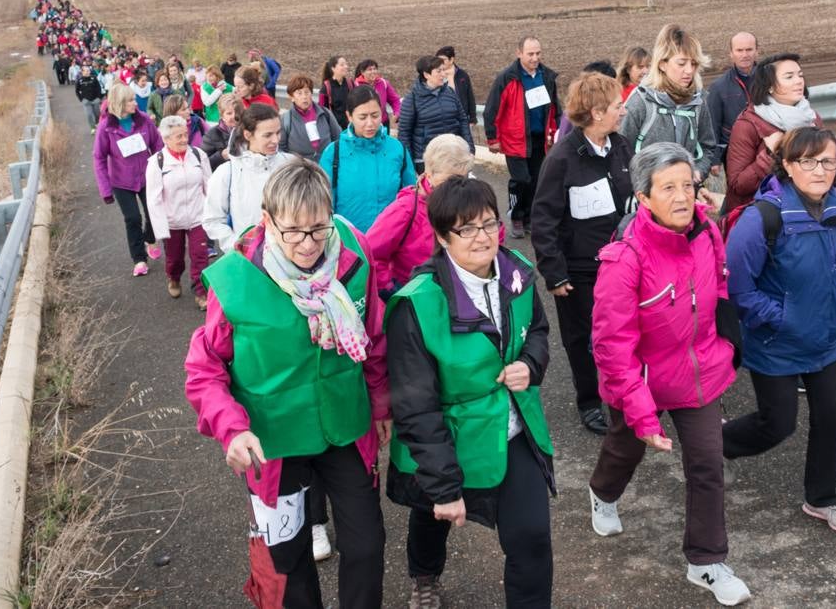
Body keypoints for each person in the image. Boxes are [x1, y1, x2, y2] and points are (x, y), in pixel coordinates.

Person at [184, 160, 389, 609]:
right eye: (292, 231)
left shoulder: (354, 254)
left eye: (318, 229)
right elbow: (205, 368)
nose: (308, 245)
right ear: (267, 219)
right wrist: (232, 429)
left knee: (367, 545)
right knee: (289, 558)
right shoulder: (235, 278)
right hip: (272, 440)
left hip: (344, 426)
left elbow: (372, 332)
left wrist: (379, 402)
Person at [588, 142, 748, 607]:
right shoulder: (624, 260)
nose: (683, 197)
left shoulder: (707, 231)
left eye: (688, 185)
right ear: (643, 197)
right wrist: (642, 413)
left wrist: (724, 346)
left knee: (706, 464)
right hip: (642, 381)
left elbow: (719, 284)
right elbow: (613, 348)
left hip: (698, 375)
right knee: (625, 448)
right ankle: (602, 493)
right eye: (668, 188)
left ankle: (706, 562)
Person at [386, 177, 555, 609]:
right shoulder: (417, 304)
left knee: (532, 537)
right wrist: (443, 487)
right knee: (431, 513)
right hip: (448, 430)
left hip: (511, 425)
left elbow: (536, 329)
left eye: (489, 224)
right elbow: (415, 405)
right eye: (467, 228)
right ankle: (425, 574)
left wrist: (531, 365)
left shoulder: (516, 269)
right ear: (443, 237)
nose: (483, 237)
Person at [723, 126, 836, 535]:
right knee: (778, 423)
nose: (819, 170)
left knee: (833, 416)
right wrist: (783, 318)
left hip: (827, 337)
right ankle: (717, 445)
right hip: (776, 342)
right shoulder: (762, 217)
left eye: (828, 161)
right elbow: (738, 287)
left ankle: (822, 498)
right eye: (808, 161)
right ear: (786, 164)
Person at [530, 72, 632, 436]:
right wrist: (554, 274)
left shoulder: (621, 147)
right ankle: (589, 401)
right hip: (579, 271)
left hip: (622, 265)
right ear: (596, 111)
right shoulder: (562, 159)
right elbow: (543, 220)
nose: (623, 110)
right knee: (584, 339)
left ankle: (627, 395)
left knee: (625, 333)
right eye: (617, 106)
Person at [367, 135, 476, 296]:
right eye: (448, 180)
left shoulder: (473, 199)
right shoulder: (406, 209)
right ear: (429, 174)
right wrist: (392, 291)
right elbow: (371, 252)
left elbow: (494, 233)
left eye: (462, 178)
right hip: (418, 297)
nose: (456, 187)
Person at [721, 53, 822, 217]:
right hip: (762, 217)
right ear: (770, 86)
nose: (798, 81)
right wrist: (770, 154)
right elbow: (738, 185)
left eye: (800, 75)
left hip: (802, 211)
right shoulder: (748, 124)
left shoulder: (812, 118)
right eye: (789, 77)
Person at [483, 36, 561, 240]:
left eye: (538, 53)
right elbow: (492, 109)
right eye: (530, 54)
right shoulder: (507, 78)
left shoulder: (547, 77)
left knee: (537, 181)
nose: (535, 58)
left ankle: (531, 219)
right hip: (515, 140)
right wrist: (493, 138)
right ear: (519, 54)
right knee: (521, 180)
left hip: (540, 140)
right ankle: (517, 216)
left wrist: (557, 130)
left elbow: (554, 108)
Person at [619, 23, 716, 185]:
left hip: (686, 194)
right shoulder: (641, 102)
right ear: (662, 64)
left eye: (693, 64)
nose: (689, 70)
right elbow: (621, 152)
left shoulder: (698, 101)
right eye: (681, 63)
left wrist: (698, 171)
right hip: (647, 198)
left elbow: (707, 148)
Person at [319, 86, 415, 233]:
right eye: (362, 117)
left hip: (391, 240)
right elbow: (322, 204)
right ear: (349, 116)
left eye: (375, 116)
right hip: (349, 243)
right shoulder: (333, 153)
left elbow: (411, 198)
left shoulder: (397, 149)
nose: (370, 123)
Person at [204, 104, 297, 253]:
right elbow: (212, 220)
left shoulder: (291, 164)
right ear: (248, 135)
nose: (276, 140)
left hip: (291, 256)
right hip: (249, 262)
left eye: (278, 132)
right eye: (267, 135)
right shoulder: (227, 172)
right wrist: (238, 246)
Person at [93, 83, 164, 276]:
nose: (135, 103)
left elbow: (157, 144)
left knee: (153, 214)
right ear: (120, 104)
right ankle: (139, 259)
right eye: (131, 100)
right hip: (121, 181)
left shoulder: (143, 120)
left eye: (134, 99)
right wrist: (105, 189)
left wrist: (161, 170)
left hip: (146, 176)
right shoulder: (106, 127)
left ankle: (150, 238)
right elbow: (98, 157)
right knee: (132, 218)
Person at [145, 115, 213, 310]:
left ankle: (201, 292)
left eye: (185, 134)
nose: (184, 139)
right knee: (175, 259)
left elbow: (209, 185)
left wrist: (212, 214)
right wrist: (161, 230)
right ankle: (173, 278)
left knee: (200, 255)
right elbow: (154, 199)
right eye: (178, 136)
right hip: (172, 219)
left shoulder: (199, 155)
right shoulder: (156, 162)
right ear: (166, 139)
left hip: (198, 216)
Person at [397, 55, 475, 173]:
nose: (443, 74)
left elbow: (463, 120)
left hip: (452, 155)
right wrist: (409, 165)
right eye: (439, 71)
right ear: (426, 75)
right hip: (427, 160)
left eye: (444, 70)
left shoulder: (450, 92)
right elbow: (404, 134)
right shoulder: (412, 99)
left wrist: (470, 149)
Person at [706, 32, 759, 167]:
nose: (745, 55)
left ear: (756, 52)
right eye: (739, 50)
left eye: (749, 49)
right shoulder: (718, 87)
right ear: (731, 54)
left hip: (766, 148)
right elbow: (713, 125)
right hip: (735, 153)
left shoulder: (771, 79)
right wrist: (715, 159)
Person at [279, 73, 339, 161]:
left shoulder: (325, 113)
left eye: (307, 92)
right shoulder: (286, 119)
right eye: (299, 93)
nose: (304, 97)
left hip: (326, 165)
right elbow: (281, 148)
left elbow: (337, 138)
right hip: (300, 168)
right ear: (291, 97)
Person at [354, 59, 402, 129]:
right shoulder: (356, 85)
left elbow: (395, 100)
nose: (373, 71)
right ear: (362, 72)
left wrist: (397, 113)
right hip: (366, 125)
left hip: (383, 123)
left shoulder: (383, 83)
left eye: (374, 69)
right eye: (369, 70)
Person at [436, 46, 477, 126]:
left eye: (443, 60)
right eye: (438, 60)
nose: (439, 62)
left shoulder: (462, 75)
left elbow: (470, 96)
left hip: (461, 119)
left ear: (451, 60)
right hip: (442, 119)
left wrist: (473, 118)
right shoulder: (435, 75)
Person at [202, 93, 238, 170]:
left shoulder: (248, 130)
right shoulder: (211, 134)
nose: (234, 116)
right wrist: (221, 156)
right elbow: (203, 164)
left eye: (237, 111)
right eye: (229, 113)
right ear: (222, 116)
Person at [320, 56, 353, 131]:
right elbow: (322, 111)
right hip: (334, 129)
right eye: (342, 65)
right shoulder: (326, 87)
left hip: (351, 127)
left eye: (346, 64)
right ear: (333, 68)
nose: (346, 66)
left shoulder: (350, 83)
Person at [75, 62, 104, 134]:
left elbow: (99, 88)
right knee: (89, 115)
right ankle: (93, 128)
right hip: (86, 101)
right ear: (82, 72)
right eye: (86, 71)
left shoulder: (94, 78)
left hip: (95, 100)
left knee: (97, 113)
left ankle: (98, 124)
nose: (88, 72)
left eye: (88, 70)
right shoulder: (80, 80)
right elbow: (77, 91)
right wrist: (81, 99)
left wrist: (99, 98)